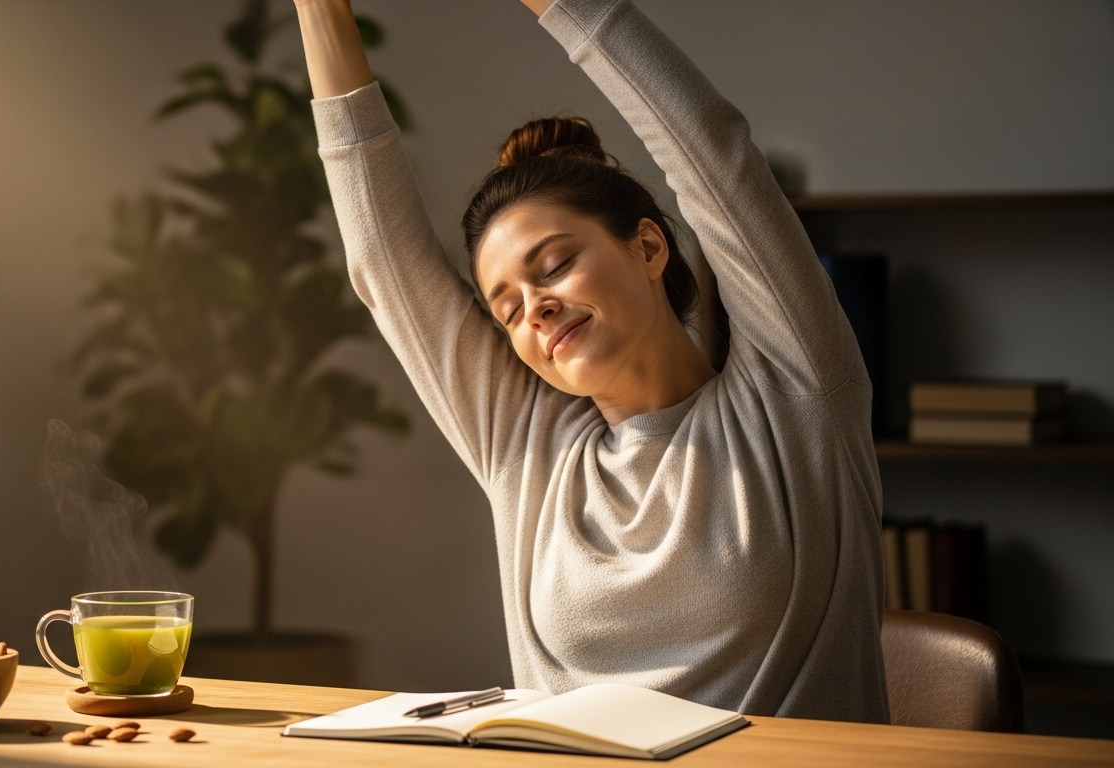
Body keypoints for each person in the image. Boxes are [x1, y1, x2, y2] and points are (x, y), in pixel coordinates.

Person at [293, 0, 888, 723]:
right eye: (507, 308)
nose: (534, 308)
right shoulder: (530, 451)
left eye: (555, 265)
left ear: (647, 247)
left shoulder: (795, 396)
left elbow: (711, 145)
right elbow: (384, 262)